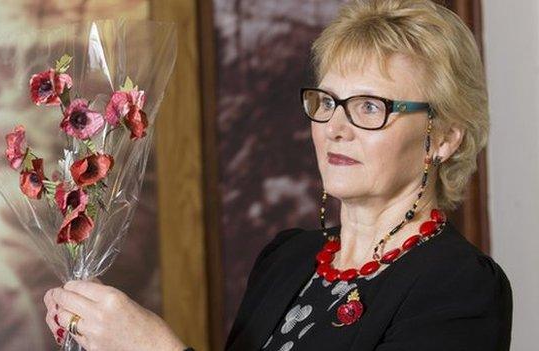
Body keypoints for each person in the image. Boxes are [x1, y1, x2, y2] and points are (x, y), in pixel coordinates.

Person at [42, 0, 513, 350]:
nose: (335, 129)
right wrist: (102, 332)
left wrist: (155, 347)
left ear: (446, 136)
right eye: (327, 102)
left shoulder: (460, 286)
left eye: (370, 106)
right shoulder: (287, 258)